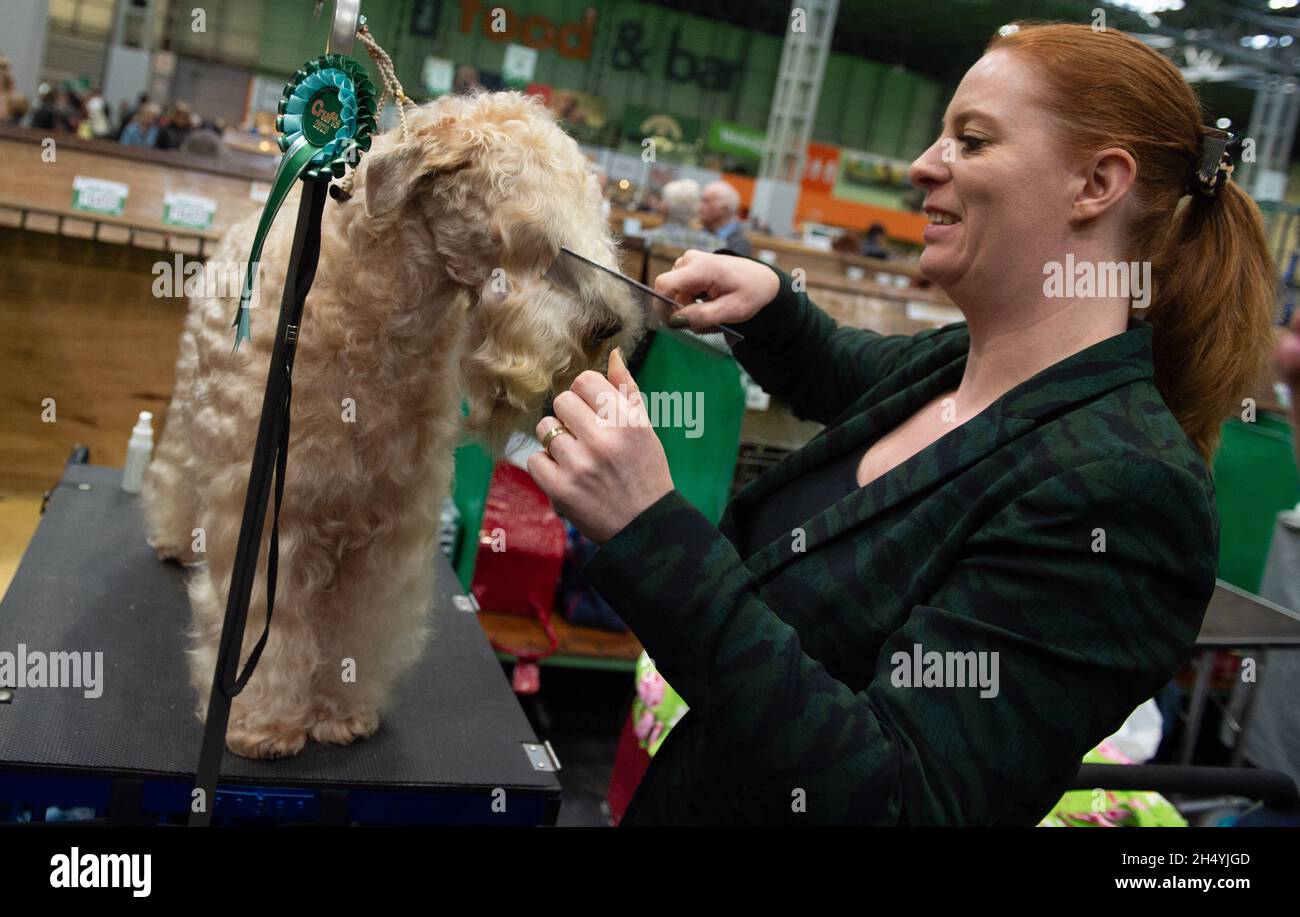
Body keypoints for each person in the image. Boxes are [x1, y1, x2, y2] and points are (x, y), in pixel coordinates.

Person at [525, 22, 1276, 825]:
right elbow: (843, 371)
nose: (923, 165)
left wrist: (652, 533)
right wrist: (775, 308)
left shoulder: (1123, 491)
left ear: (1096, 183)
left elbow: (902, 799)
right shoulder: (958, 365)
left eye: (972, 140)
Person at [642, 178, 723, 252]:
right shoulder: (716, 244)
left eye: (662, 200)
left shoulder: (646, 238)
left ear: (665, 208)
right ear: (696, 208)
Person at [698, 179, 753, 256]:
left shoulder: (738, 244)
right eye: (701, 201)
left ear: (725, 208)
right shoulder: (699, 233)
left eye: (706, 201)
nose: (700, 207)